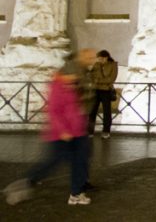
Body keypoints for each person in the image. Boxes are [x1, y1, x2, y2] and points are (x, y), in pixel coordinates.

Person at [3, 48, 96, 206]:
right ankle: (25, 183)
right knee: (52, 163)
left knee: (80, 160)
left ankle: (77, 193)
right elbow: (54, 110)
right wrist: (63, 130)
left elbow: (79, 104)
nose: (75, 79)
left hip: (78, 130)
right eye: (72, 76)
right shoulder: (59, 86)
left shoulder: (74, 84)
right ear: (67, 72)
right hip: (63, 133)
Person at [88, 49, 118, 139]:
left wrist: (98, 81)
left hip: (106, 91)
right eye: (98, 59)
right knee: (92, 111)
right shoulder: (96, 65)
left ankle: (106, 131)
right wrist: (98, 81)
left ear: (106, 58)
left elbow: (111, 79)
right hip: (95, 90)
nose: (99, 60)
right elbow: (91, 76)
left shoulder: (113, 65)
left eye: (101, 58)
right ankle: (90, 131)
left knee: (106, 111)